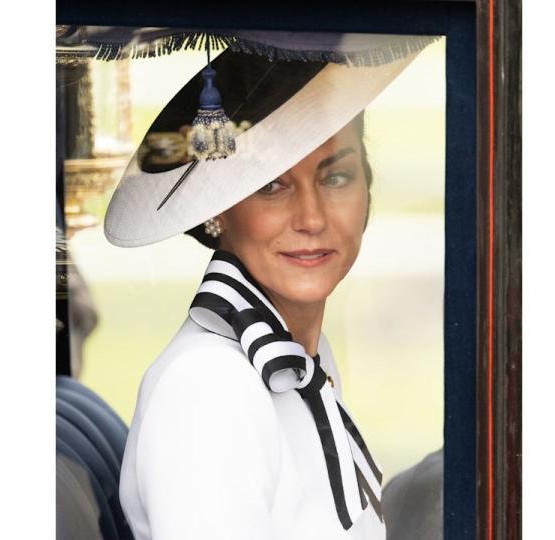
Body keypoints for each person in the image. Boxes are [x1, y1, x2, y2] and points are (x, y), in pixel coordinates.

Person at [103, 32, 436, 540]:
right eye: (270, 186)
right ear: (219, 213)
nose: (311, 217)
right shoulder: (209, 386)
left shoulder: (301, 356)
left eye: (337, 177)